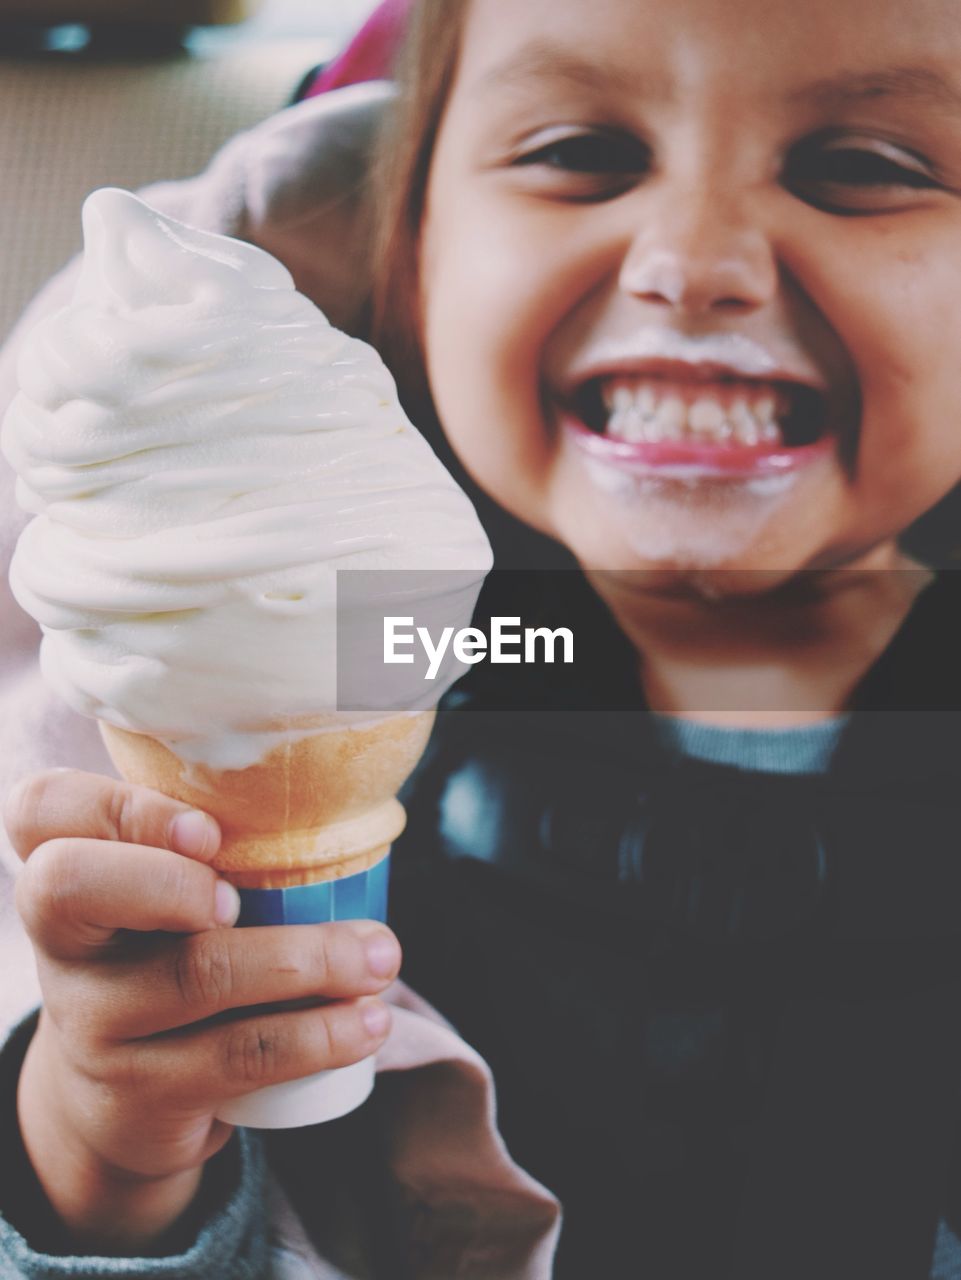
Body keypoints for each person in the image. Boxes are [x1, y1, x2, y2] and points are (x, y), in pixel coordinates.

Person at [4, 0, 961, 1276]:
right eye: (580, 152)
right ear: (408, 245)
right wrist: (103, 1153)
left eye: (863, 166)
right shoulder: (397, 625)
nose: (691, 257)